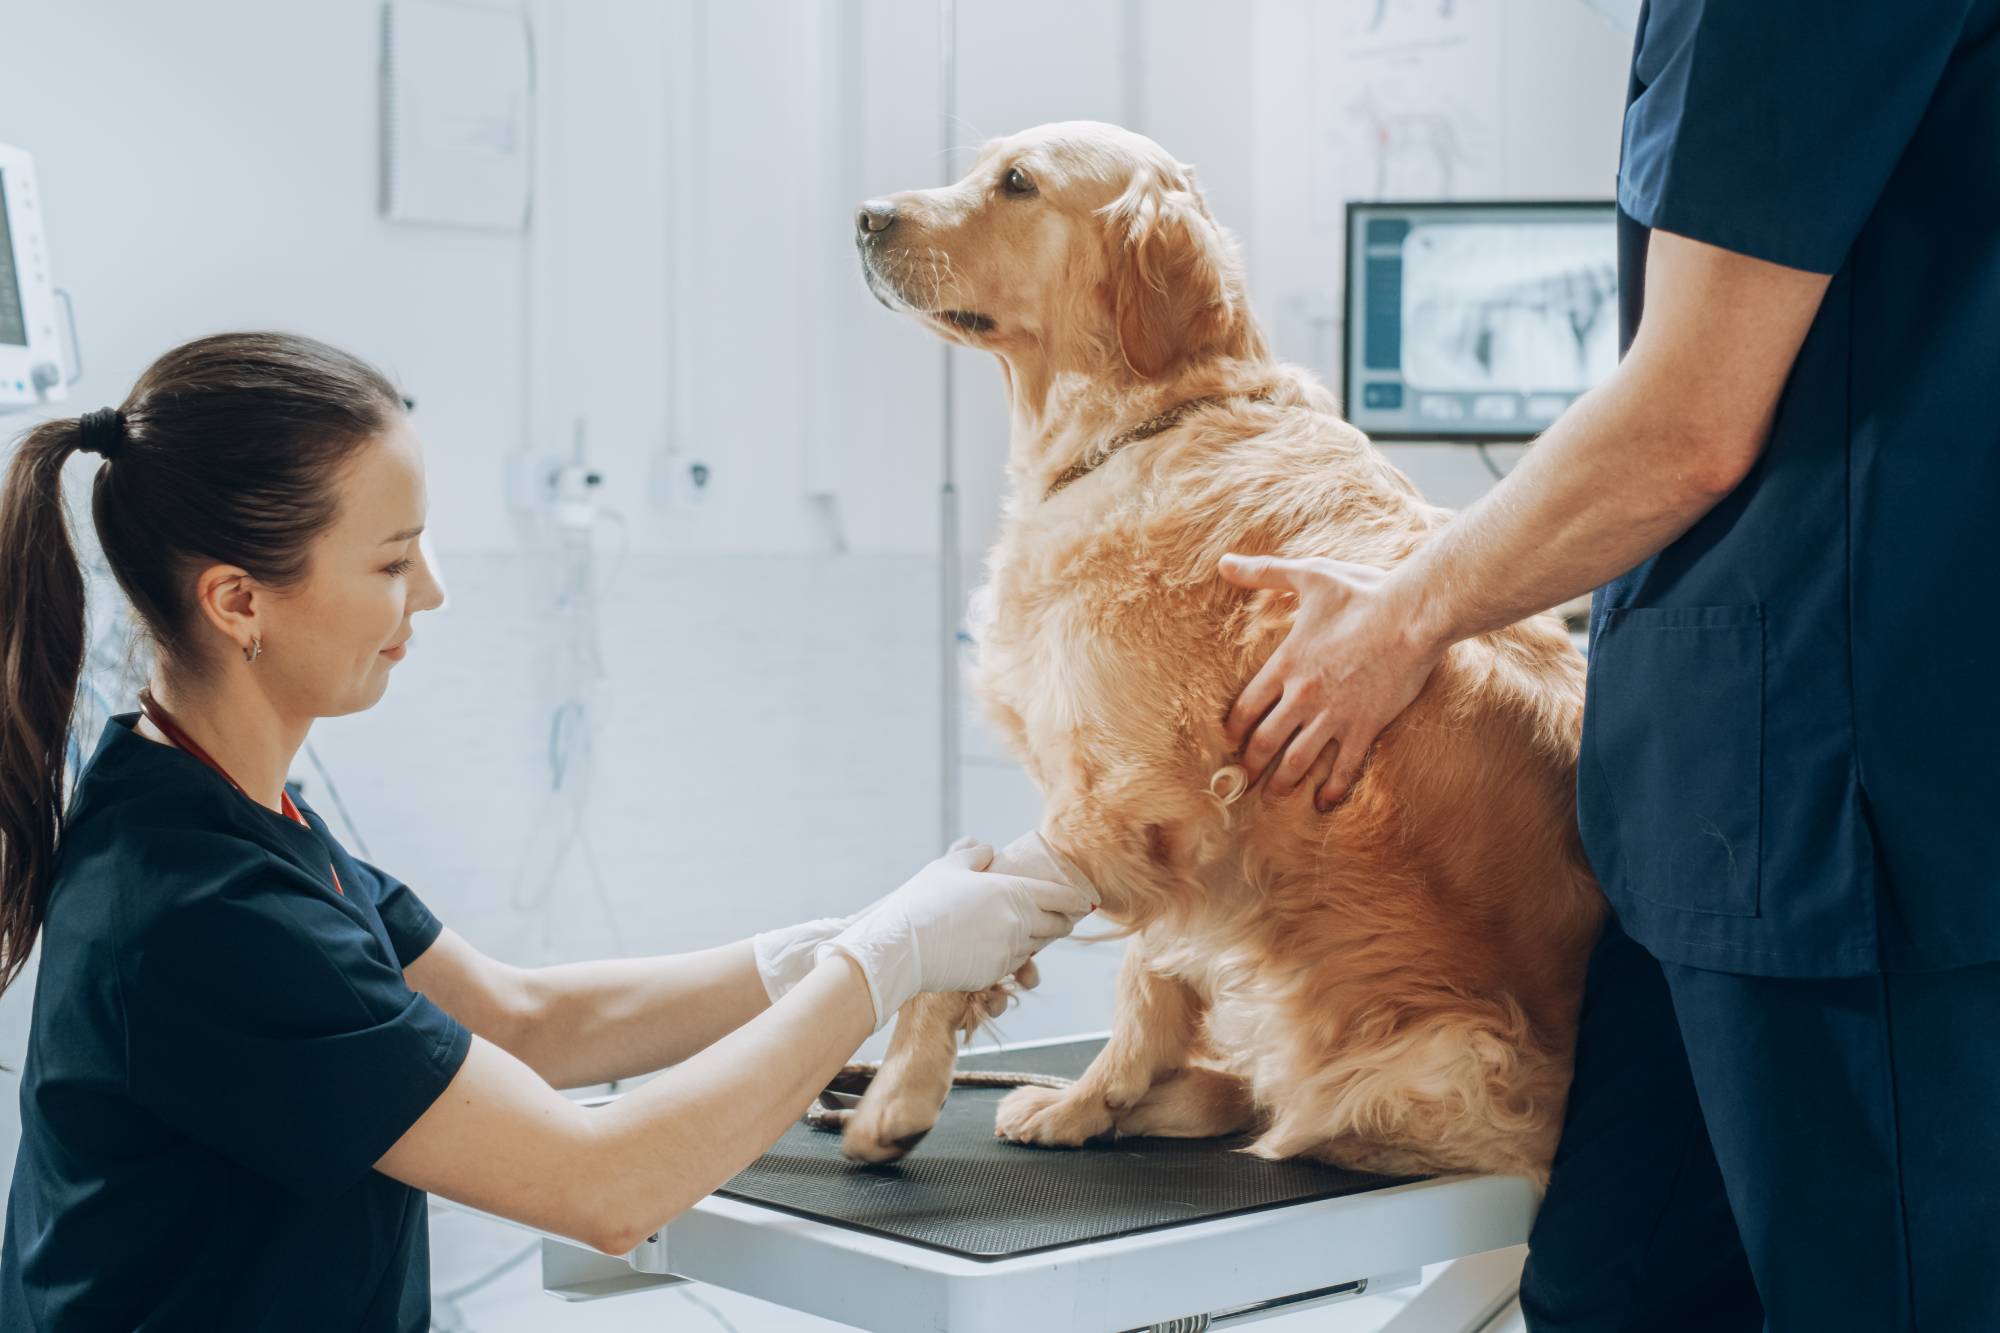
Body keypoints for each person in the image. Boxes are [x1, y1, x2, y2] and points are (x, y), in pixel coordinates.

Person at [0, 331, 1097, 1331]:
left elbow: (522, 1021)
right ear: (239, 602)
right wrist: (885, 958)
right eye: (390, 562)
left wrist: (835, 945)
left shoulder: (209, 802)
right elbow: (601, 1186)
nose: (429, 592)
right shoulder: (200, 909)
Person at [1215, 1, 1999, 1328]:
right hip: (1736, 805)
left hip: (1822, 801)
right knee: (1614, 1286)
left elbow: (1687, 422)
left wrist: (1401, 619)